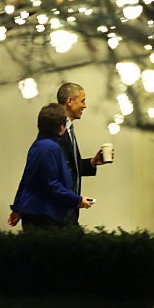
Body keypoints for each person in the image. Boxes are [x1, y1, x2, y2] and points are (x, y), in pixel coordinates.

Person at [7, 103, 93, 230]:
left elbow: (26, 179)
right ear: (62, 127)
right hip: (45, 214)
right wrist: (77, 200)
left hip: (34, 212)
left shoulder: (37, 145)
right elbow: (51, 184)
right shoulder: (51, 148)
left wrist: (18, 207)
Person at [56, 82, 111, 225]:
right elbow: (56, 173)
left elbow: (68, 166)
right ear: (69, 101)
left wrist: (92, 162)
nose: (85, 105)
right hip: (59, 214)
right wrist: (76, 200)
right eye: (82, 101)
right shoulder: (57, 130)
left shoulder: (68, 129)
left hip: (68, 212)